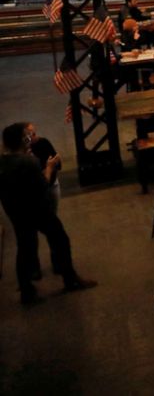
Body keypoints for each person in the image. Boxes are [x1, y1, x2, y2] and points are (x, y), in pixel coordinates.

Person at [1, 122, 97, 305]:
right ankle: (70, 279)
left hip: (15, 211)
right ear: (21, 141)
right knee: (60, 239)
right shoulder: (28, 161)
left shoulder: (3, 161)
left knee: (24, 248)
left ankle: (27, 291)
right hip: (37, 209)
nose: (29, 140)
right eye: (26, 138)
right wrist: (49, 167)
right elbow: (43, 184)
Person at [25, 122, 61, 213]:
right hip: (37, 191)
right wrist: (47, 168)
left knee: (53, 213)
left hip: (52, 184)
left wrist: (54, 163)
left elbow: (56, 161)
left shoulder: (43, 142)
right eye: (30, 135)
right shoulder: (24, 152)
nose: (34, 137)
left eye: (34, 133)